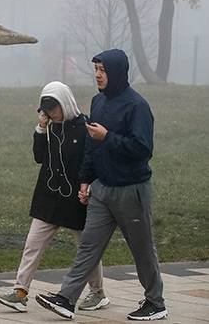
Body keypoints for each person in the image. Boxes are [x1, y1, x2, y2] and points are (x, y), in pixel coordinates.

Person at [36, 49, 167, 321]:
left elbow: (143, 149)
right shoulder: (98, 102)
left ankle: (155, 303)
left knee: (142, 249)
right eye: (96, 69)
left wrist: (108, 137)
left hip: (131, 190)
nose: (97, 75)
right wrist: (85, 179)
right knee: (88, 247)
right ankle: (66, 299)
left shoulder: (137, 106)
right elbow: (91, 147)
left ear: (117, 72)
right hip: (102, 190)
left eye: (103, 70)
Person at [0, 81, 108, 313]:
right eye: (46, 109)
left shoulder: (84, 127)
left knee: (86, 249)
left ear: (65, 103)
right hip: (48, 198)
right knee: (32, 244)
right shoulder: (49, 128)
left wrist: (89, 187)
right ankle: (20, 292)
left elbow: (93, 161)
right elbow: (39, 157)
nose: (51, 113)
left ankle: (97, 292)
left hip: (77, 200)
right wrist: (40, 128)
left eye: (53, 108)